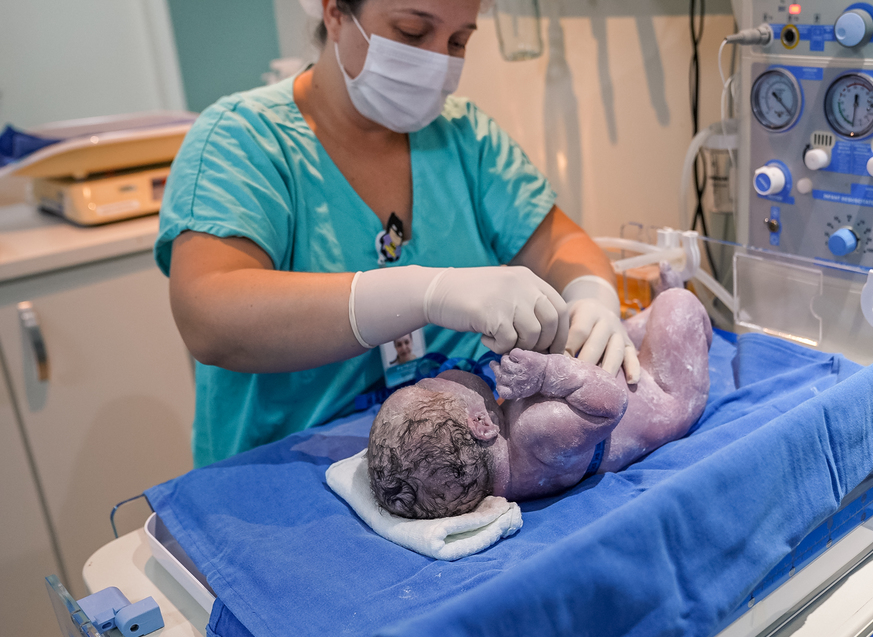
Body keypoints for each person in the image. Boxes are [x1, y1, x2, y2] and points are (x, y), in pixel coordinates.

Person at [157, 0, 638, 467]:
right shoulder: (243, 142)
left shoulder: (464, 137)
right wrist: (425, 293)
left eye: (458, 41)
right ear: (334, 11)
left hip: (460, 457)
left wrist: (592, 297)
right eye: (412, 32)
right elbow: (209, 316)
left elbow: (560, 244)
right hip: (296, 472)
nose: (437, 60)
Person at [366, 287, 713, 519]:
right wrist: (548, 374)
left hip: (617, 372)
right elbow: (612, 402)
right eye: (431, 385)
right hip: (662, 391)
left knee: (610, 331)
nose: (440, 375)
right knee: (676, 304)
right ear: (481, 425)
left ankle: (647, 322)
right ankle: (682, 309)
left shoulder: (504, 451)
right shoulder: (535, 434)